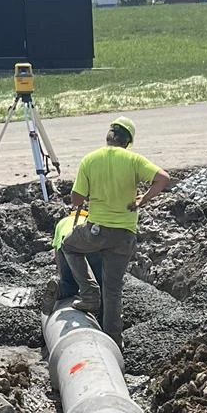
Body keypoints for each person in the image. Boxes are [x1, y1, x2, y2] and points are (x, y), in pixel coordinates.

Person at [58, 117, 171, 344]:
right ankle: (114, 341)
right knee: (113, 289)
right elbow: (163, 178)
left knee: (69, 246)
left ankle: (89, 293)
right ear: (128, 142)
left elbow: (76, 199)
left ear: (109, 135)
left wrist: (88, 194)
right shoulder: (133, 160)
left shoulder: (91, 159)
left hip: (96, 230)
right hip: (124, 235)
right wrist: (142, 199)